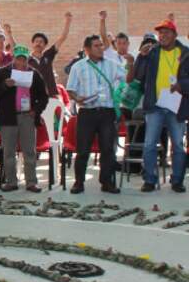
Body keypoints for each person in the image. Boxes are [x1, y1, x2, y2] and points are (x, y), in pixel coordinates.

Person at [133, 18, 189, 193]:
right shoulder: (152, 52)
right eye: (160, 33)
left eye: (166, 32)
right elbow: (139, 76)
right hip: (155, 106)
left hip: (176, 106)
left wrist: (182, 85)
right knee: (150, 144)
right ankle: (150, 179)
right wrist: (140, 57)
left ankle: (177, 180)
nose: (162, 36)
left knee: (178, 145)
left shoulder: (186, 53)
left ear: (174, 35)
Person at [65, 35, 126, 194]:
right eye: (96, 46)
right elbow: (70, 89)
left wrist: (132, 64)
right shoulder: (78, 67)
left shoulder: (112, 65)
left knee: (108, 149)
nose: (101, 48)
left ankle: (107, 182)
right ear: (87, 49)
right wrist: (77, 98)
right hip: (87, 112)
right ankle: (79, 182)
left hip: (107, 111)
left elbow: (127, 78)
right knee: (83, 149)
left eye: (101, 45)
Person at [0, 45, 48, 192]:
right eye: (19, 59)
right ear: (13, 58)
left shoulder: (34, 74)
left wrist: (36, 110)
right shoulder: (2, 73)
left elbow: (43, 96)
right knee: (8, 151)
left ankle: (31, 182)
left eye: (24, 59)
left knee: (29, 151)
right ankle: (11, 181)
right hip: (8, 117)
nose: (22, 62)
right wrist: (4, 85)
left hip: (27, 116)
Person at [28, 12, 72, 98]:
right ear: (32, 44)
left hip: (51, 96)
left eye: (41, 42)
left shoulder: (48, 55)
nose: (38, 44)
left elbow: (62, 38)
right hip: (32, 96)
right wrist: (9, 33)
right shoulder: (26, 59)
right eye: (36, 41)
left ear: (45, 45)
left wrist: (68, 21)